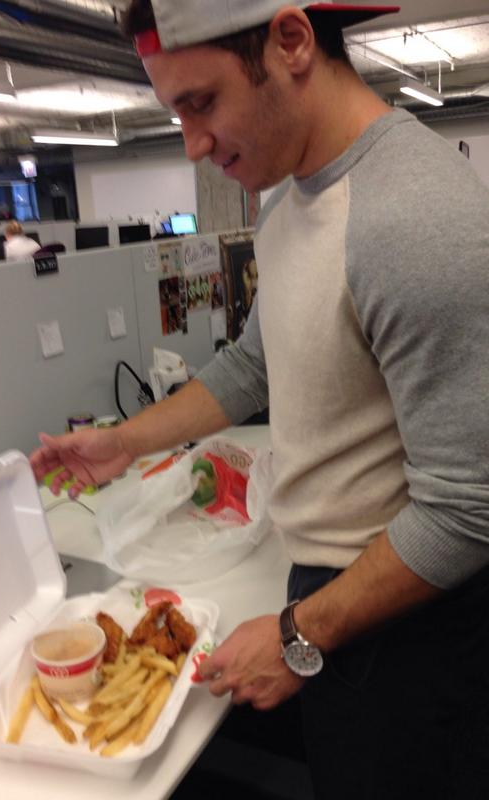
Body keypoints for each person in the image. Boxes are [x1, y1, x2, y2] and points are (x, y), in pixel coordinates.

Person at [30, 2, 489, 797]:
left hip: (408, 625)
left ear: (292, 41)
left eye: (202, 102)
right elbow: (252, 367)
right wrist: (124, 443)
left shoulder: (414, 216)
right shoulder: (288, 205)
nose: (192, 144)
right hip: (334, 594)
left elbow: (468, 509)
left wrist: (296, 636)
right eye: (176, 112)